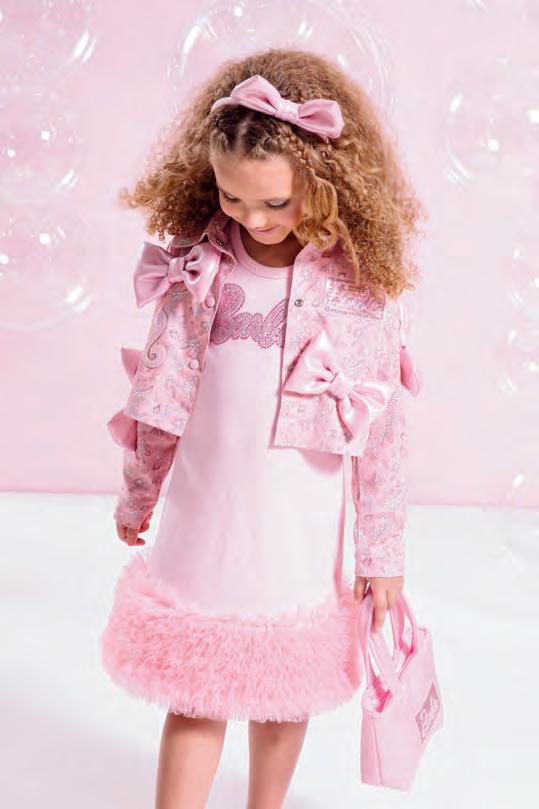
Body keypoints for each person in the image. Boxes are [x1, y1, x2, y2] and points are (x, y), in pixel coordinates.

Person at [100, 47, 426, 809]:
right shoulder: (198, 268)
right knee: (196, 687)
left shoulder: (358, 290)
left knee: (284, 681)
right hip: (207, 510)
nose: (252, 218)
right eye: (232, 197)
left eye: (276, 202)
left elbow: (382, 435)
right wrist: (138, 493)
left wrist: (382, 555)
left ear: (329, 182)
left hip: (297, 518)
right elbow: (158, 395)